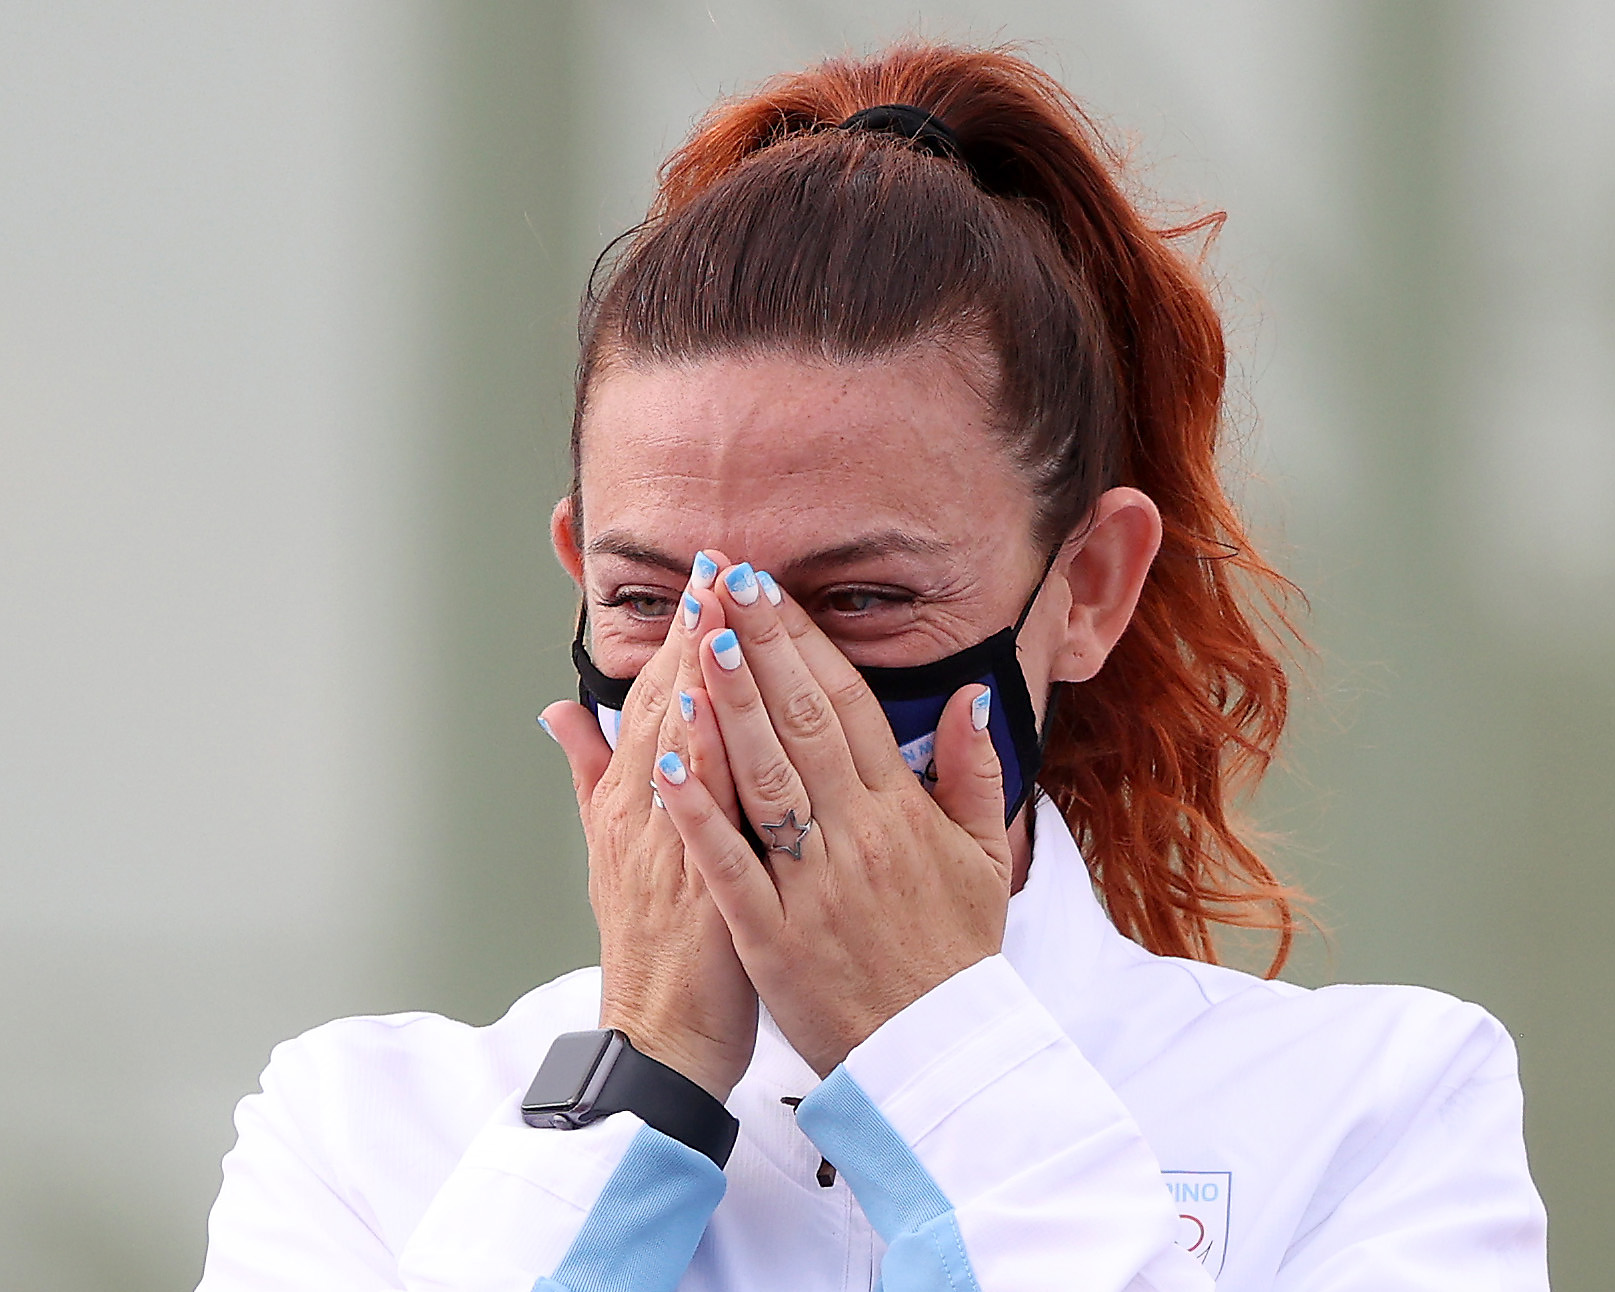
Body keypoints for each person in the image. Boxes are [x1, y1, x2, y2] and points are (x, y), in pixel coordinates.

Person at [198, 42, 1548, 1291]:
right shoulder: (364, 1136)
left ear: (1087, 588)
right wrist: (640, 1081)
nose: (734, 685)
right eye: (648, 598)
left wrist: (939, 1058)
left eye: (860, 598)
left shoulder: (1376, 1111)